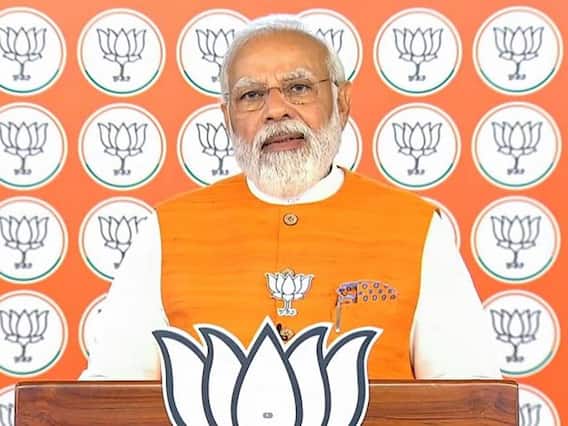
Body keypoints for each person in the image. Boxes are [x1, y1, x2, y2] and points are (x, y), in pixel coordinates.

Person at [81, 15, 501, 380]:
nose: (276, 110)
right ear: (227, 118)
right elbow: (111, 393)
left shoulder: (415, 227)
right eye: (251, 95)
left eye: (298, 88)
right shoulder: (166, 231)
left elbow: (467, 393)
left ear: (342, 103)